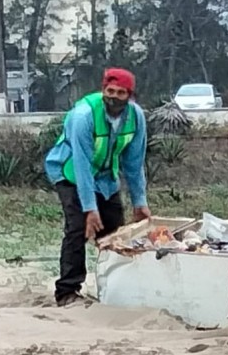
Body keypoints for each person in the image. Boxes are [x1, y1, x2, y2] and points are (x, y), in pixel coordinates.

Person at [45, 67, 151, 307]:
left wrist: (140, 202)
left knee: (114, 232)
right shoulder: (83, 116)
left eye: (120, 93)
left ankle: (115, 289)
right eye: (109, 91)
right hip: (70, 172)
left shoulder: (136, 117)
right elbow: (81, 165)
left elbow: (134, 163)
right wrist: (90, 209)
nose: (113, 97)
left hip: (105, 177)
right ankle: (67, 291)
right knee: (78, 227)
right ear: (103, 90)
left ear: (130, 96)